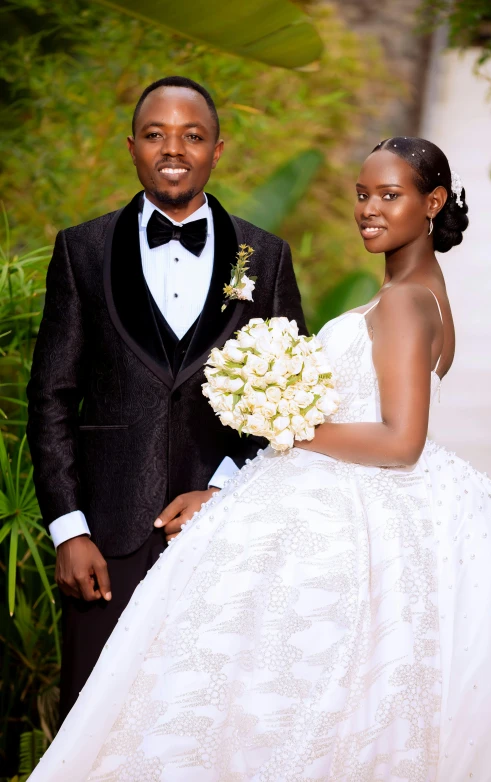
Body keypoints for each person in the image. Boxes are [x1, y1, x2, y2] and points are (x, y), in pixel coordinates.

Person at [29, 138, 491, 782]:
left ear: (431, 203)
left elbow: (400, 441)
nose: (369, 209)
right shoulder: (420, 291)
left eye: (389, 195)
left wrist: (283, 425)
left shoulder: (403, 303)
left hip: (350, 506)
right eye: (362, 194)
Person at [25, 76, 306, 723]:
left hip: (225, 541)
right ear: (132, 146)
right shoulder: (82, 251)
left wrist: (228, 494)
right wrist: (70, 530)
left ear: (217, 149)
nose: (172, 149)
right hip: (104, 547)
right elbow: (52, 400)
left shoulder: (264, 255)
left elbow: (290, 409)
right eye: (156, 135)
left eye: (192, 135)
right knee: (95, 727)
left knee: (204, 723)